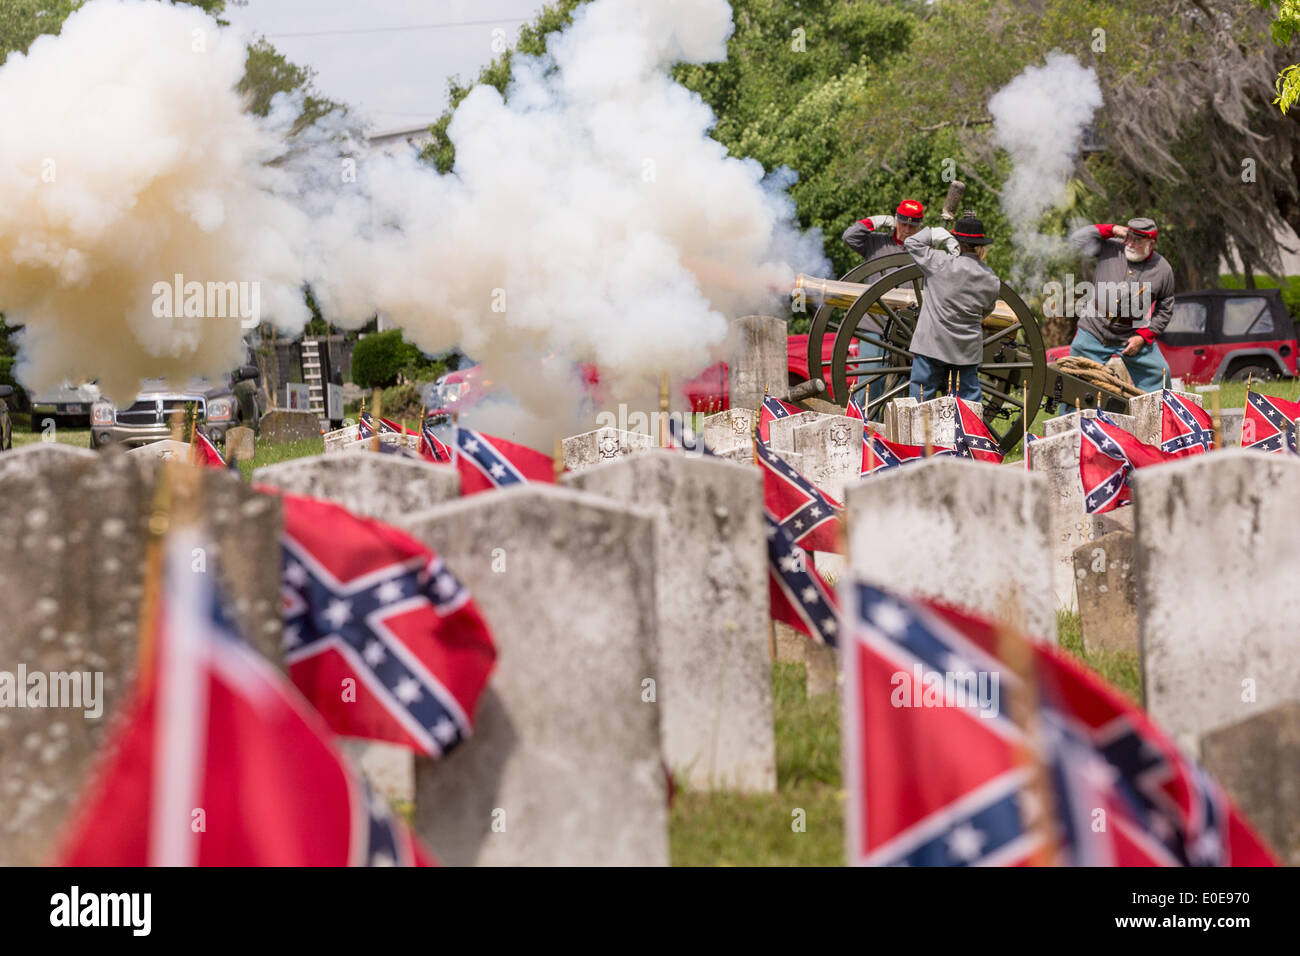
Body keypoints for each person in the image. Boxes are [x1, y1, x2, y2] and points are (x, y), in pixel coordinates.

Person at [841, 200, 958, 407]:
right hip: (874, 325)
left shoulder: (925, 251)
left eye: (912, 226)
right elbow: (849, 236)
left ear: (920, 226)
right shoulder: (877, 243)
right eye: (902, 223)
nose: (906, 230)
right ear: (895, 221)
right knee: (869, 386)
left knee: (906, 393)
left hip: (908, 330)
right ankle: (864, 430)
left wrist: (949, 243)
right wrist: (873, 222)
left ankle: (900, 435)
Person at [1066, 217, 1174, 392]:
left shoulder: (1163, 269)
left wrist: (1143, 336)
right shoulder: (1110, 246)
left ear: (1150, 243)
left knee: (1160, 374)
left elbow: (1165, 308)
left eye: (1136, 240)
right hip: (1093, 329)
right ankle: (1072, 419)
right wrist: (1113, 229)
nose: (1129, 244)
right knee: (1075, 383)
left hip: (1131, 334)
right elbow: (1077, 238)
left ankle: (1157, 418)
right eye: (1128, 237)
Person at [904, 215, 1000, 403]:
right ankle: (969, 431)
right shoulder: (991, 279)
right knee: (969, 403)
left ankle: (917, 432)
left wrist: (933, 233)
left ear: (957, 241)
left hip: (931, 344)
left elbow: (911, 242)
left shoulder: (940, 262)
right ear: (981, 245)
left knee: (920, 400)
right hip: (965, 349)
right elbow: (986, 311)